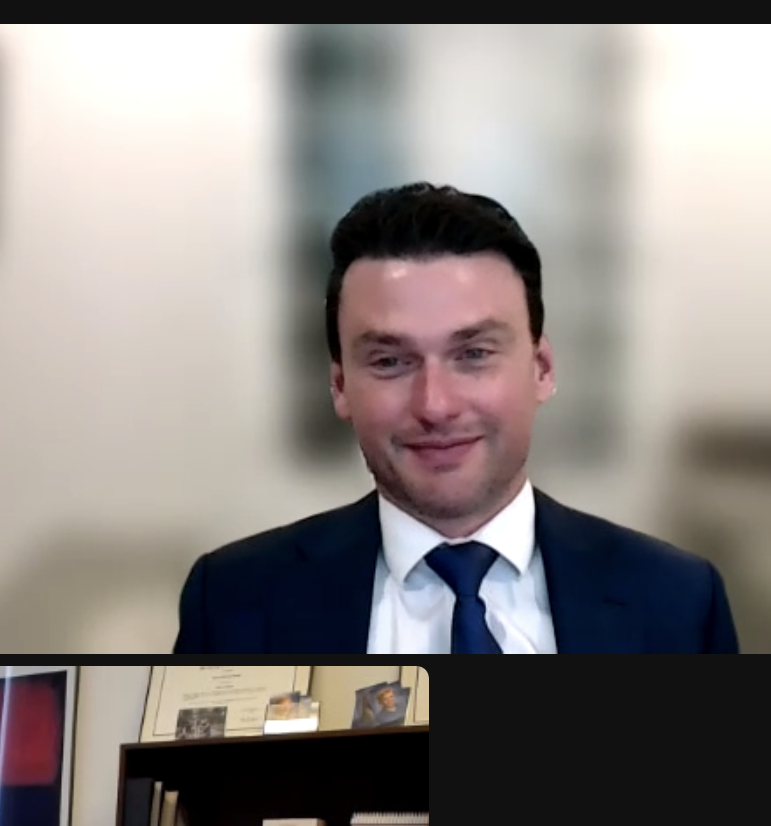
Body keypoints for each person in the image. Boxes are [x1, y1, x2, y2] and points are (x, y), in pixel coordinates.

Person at [173, 182, 738, 653]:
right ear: (340, 385)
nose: (435, 405)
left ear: (540, 368)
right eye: (390, 361)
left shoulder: (679, 601)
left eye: (473, 355)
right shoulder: (230, 603)